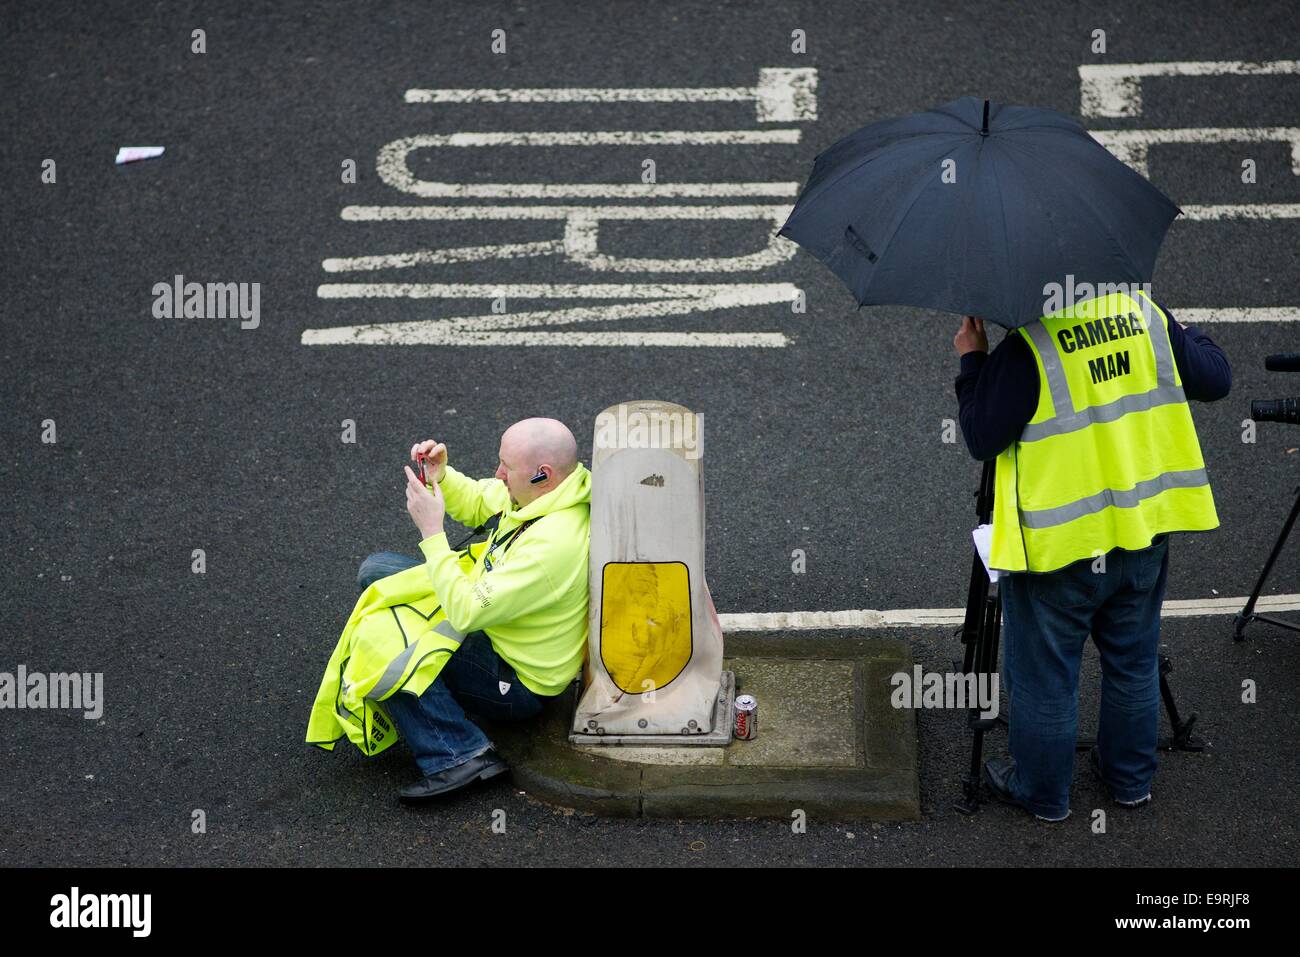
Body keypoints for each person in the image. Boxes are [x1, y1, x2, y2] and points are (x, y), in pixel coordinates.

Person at [952, 290, 1230, 822]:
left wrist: (973, 360)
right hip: (1142, 529)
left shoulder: (1027, 347)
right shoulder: (1145, 315)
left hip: (1061, 549)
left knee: (1045, 678)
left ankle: (1044, 794)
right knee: (1133, 660)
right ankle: (1130, 782)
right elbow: (1216, 378)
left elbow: (982, 436)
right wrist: (1184, 330)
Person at [358, 417, 591, 803]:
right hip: (497, 631)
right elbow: (482, 501)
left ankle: (458, 753)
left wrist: (433, 534)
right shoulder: (547, 494)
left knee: (385, 636)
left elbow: (465, 612)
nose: (498, 474)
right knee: (378, 572)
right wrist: (442, 475)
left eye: (506, 467)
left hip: (515, 682)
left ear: (542, 474)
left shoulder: (553, 547)